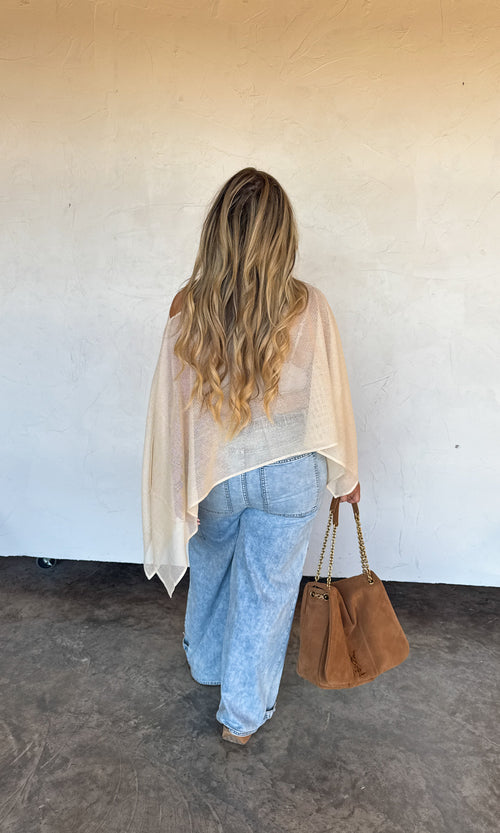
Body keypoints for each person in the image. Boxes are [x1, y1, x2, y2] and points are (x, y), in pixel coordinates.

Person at [142, 167, 360, 746]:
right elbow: (328, 401)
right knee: (267, 592)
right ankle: (240, 718)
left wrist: (175, 482)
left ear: (217, 231)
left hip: (216, 470)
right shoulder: (309, 305)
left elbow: (174, 408)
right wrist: (346, 476)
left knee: (212, 569)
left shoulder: (187, 304)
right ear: (283, 234)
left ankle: (207, 665)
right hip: (290, 472)